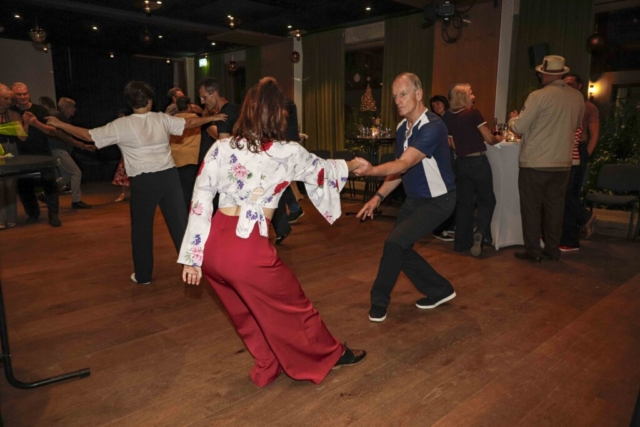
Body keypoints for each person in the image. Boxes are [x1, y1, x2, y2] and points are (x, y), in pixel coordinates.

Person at [178, 78, 366, 388]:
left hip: (213, 247)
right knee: (295, 308)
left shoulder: (221, 148)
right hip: (247, 249)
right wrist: (354, 163)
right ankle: (329, 355)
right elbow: (324, 170)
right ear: (277, 114)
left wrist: (192, 257)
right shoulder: (287, 151)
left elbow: (200, 201)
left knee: (245, 314)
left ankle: (268, 364)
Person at [46, 80, 227, 284]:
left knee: (142, 229)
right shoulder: (161, 119)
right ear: (149, 101)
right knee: (180, 225)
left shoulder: (122, 125)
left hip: (144, 181)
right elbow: (188, 123)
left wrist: (60, 124)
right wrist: (212, 117)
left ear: (130, 102)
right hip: (169, 178)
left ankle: (143, 275)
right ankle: (195, 269)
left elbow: (88, 135)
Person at [353, 72, 457, 323]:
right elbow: (400, 172)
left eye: (403, 94)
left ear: (418, 94)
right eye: (395, 97)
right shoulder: (403, 128)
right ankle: (440, 290)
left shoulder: (433, 126)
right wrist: (378, 197)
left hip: (438, 200)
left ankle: (379, 301)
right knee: (398, 247)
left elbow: (404, 163)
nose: (397, 101)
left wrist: (371, 171)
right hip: (414, 200)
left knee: (395, 244)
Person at [508, 55, 584, 262]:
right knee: (555, 210)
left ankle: (533, 251)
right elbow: (577, 124)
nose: (539, 76)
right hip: (563, 163)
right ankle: (552, 249)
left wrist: (512, 119)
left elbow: (519, 127)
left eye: (540, 73)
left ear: (545, 75)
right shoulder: (577, 97)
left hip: (536, 162)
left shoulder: (538, 96)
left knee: (532, 209)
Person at [442, 84, 502, 257]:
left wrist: (462, 146)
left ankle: (461, 243)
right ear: (463, 97)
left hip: (461, 163)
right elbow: (488, 138)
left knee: (464, 204)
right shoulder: (473, 114)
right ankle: (481, 232)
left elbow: (449, 142)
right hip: (478, 162)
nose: (473, 96)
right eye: (470, 93)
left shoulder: (447, 116)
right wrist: (499, 138)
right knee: (487, 200)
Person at [11, 82, 61, 227]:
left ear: (29, 93)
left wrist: (35, 123)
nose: (23, 97)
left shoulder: (40, 110)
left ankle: (53, 215)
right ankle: (33, 215)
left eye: (25, 93)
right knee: (25, 187)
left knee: (49, 183)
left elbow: (52, 131)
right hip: (22, 155)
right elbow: (21, 136)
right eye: (19, 94)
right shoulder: (12, 112)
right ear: (14, 96)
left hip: (43, 153)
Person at [560, 73, 600, 248]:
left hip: (579, 150)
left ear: (579, 86)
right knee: (563, 193)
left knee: (570, 193)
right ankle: (585, 217)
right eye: (565, 83)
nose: (567, 86)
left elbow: (594, 134)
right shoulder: (563, 104)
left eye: (570, 83)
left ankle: (571, 237)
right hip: (563, 151)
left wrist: (586, 154)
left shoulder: (589, 107)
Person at [48, 97, 96, 209]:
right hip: (57, 149)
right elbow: (66, 138)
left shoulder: (62, 119)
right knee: (76, 172)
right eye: (73, 107)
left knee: (66, 176)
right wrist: (83, 146)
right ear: (67, 108)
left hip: (57, 149)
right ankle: (76, 201)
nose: (75, 110)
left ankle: (46, 193)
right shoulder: (59, 119)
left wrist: (83, 146)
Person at [0, 83, 27, 230]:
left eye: (10, 98)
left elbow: (22, 137)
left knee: (10, 186)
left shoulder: (14, 114)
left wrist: (27, 124)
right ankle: (1, 219)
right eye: (6, 98)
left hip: (11, 150)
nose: (9, 101)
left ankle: (11, 218)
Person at [429, 94, 456, 242]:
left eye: (438, 104)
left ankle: (447, 226)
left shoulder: (446, 118)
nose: (436, 107)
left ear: (445, 103)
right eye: (434, 106)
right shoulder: (439, 120)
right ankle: (440, 228)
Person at [170, 96, 202, 213]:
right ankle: (188, 214)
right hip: (190, 158)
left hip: (175, 159)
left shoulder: (172, 120)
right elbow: (207, 118)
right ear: (189, 106)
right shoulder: (195, 118)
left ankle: (180, 213)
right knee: (189, 190)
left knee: (179, 190)